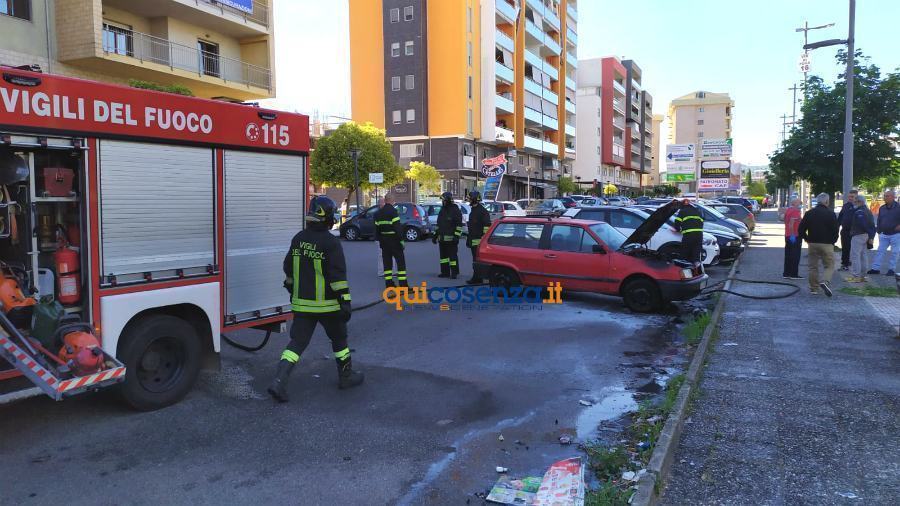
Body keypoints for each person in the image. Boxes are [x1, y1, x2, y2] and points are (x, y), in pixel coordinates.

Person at [268, 196, 363, 403]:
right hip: (328, 306)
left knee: (297, 343)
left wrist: (292, 288)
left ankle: (279, 380)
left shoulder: (299, 238)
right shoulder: (331, 242)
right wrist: (345, 303)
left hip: (302, 305)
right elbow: (337, 277)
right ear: (328, 217)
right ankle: (345, 377)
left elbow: (288, 268)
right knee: (339, 340)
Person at [798, 193, 839, 297]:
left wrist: (807, 239)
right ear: (826, 201)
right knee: (829, 265)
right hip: (827, 244)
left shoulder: (809, 213)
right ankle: (824, 281)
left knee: (813, 267)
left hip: (813, 243)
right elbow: (835, 230)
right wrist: (833, 241)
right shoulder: (831, 214)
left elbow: (801, 229)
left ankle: (814, 289)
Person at [373, 194, 407, 288]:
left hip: (384, 241)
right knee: (400, 263)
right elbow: (397, 227)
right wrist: (401, 240)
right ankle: (403, 285)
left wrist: (380, 241)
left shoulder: (378, 213)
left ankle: (389, 284)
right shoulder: (393, 211)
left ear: (385, 200)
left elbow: (377, 229)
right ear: (392, 200)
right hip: (394, 240)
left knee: (387, 264)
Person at [867, 189, 900, 276]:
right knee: (880, 251)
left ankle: (891, 269)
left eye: (887, 196)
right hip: (884, 234)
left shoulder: (898, 207)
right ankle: (875, 268)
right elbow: (879, 219)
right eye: (884, 196)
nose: (885, 197)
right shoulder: (882, 208)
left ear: (893, 197)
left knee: (895, 252)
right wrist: (879, 230)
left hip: (896, 234)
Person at [432, 192, 463, 278]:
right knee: (443, 258)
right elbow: (439, 224)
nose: (442, 201)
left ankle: (454, 272)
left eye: (443, 200)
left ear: (447, 200)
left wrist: (456, 236)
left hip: (451, 240)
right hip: (442, 239)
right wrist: (435, 236)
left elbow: (459, 225)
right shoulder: (442, 210)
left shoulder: (455, 210)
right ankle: (445, 272)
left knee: (452, 257)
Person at [847, 194, 876, 283]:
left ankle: (856, 276)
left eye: (855, 201)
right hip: (866, 235)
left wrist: (870, 235)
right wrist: (871, 236)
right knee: (863, 255)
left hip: (858, 235)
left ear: (860, 202)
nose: (854, 203)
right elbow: (872, 224)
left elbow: (863, 224)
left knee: (855, 256)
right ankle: (863, 276)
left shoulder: (859, 212)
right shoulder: (867, 211)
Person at [465, 190, 492, 285]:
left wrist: (482, 240)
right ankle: (477, 277)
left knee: (477, 260)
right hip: (473, 239)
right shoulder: (474, 210)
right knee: (475, 260)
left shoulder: (482, 211)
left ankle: (477, 278)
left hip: (479, 241)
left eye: (470, 199)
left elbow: (487, 226)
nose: (468, 200)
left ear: (474, 199)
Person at [673, 199, 704, 265]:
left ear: (683, 205)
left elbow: (677, 221)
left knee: (685, 251)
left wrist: (677, 229)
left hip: (689, 234)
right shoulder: (698, 211)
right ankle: (697, 268)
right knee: (696, 253)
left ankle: (684, 268)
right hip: (699, 235)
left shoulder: (683, 211)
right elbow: (702, 222)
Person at [836, 189, 859, 271]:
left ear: (857, 197)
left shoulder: (859, 207)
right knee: (845, 248)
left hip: (856, 232)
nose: (850, 198)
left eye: (852, 197)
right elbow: (840, 217)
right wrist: (837, 227)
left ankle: (857, 267)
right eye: (849, 196)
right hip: (845, 231)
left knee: (855, 250)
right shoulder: (846, 205)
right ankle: (845, 264)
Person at [782, 198, 803, 279]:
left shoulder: (788, 210)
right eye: (799, 202)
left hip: (787, 235)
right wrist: (792, 235)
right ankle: (794, 274)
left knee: (788, 255)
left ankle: (786, 273)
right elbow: (791, 224)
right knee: (795, 255)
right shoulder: (795, 211)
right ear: (794, 203)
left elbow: (785, 220)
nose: (800, 203)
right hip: (794, 235)